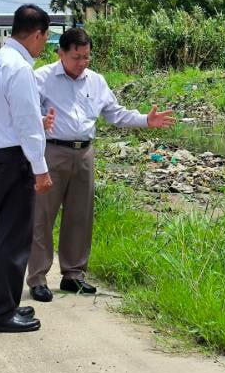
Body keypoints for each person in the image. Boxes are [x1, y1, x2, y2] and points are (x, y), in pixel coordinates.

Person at [27, 28, 176, 303]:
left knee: (80, 216)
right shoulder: (41, 79)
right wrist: (39, 122)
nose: (82, 63)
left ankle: (73, 274)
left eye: (86, 57)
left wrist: (146, 120)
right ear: (60, 53)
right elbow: (27, 113)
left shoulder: (96, 81)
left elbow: (114, 114)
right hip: (51, 151)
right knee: (42, 216)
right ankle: (37, 278)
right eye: (76, 57)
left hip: (83, 153)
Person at [0, 4, 55, 333]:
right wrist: (40, 168)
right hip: (12, 160)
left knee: (1, 234)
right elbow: (25, 125)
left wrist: (35, 124)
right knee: (14, 238)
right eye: (45, 38)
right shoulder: (21, 68)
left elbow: (5, 114)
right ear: (36, 34)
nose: (44, 45)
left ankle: (2, 302)